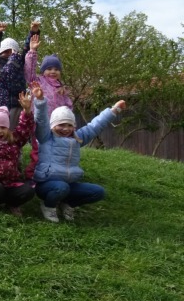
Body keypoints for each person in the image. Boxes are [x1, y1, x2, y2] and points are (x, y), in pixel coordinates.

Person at [33, 86, 126, 222]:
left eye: (69, 125)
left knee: (98, 192)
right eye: (61, 125)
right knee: (61, 187)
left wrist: (114, 110)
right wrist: (40, 101)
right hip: (47, 185)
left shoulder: (77, 138)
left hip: (69, 184)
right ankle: (48, 206)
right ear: (53, 126)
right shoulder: (46, 137)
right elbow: (41, 121)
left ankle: (68, 204)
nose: (66, 129)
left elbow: (95, 126)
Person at [24, 28, 72, 180]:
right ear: (43, 70)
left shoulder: (62, 88)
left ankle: (57, 174)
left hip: (58, 126)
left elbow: (68, 107)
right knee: (39, 150)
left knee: (57, 151)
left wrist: (69, 123)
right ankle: (35, 175)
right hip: (41, 123)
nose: (53, 71)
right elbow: (29, 71)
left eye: (56, 69)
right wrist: (32, 51)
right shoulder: (37, 81)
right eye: (49, 68)